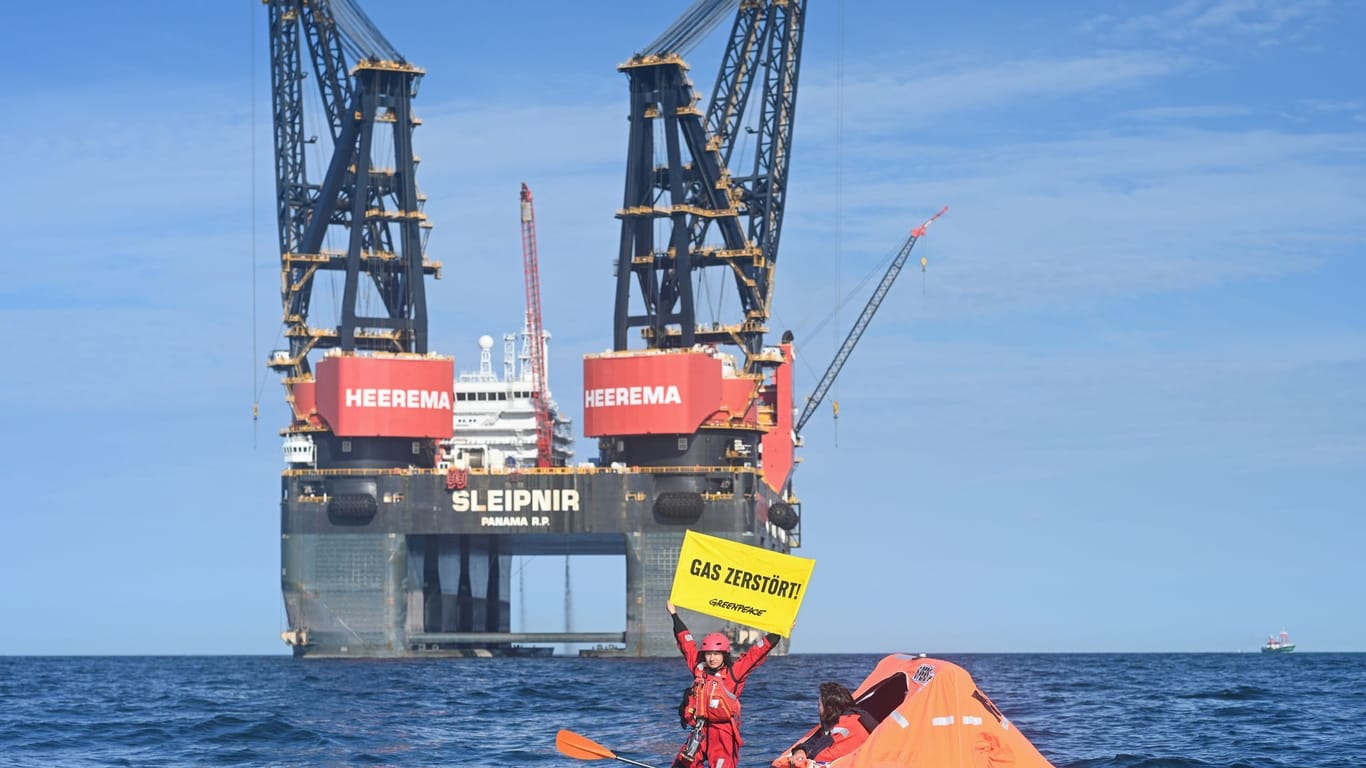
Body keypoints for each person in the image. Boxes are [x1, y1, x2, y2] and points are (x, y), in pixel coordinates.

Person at [668, 600, 781, 768]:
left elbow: (756, 653)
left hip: (723, 734)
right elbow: (686, 643)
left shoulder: (734, 674)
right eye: (708, 654)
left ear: (724, 654)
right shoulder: (699, 668)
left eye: (716, 654)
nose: (712, 658)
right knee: (681, 765)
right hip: (700, 732)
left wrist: (778, 632)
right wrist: (674, 614)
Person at [781, 682, 877, 767]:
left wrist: (800, 760)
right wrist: (800, 751)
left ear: (829, 708)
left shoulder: (845, 727)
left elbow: (817, 757)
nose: (818, 709)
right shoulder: (848, 719)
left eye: (820, 705)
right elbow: (812, 742)